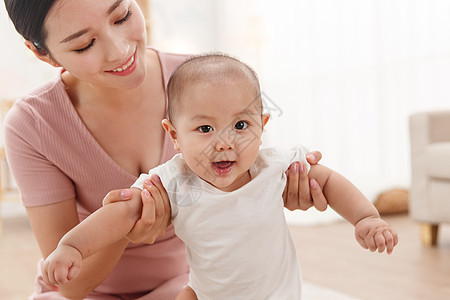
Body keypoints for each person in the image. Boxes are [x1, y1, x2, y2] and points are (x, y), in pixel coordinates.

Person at [3, 1, 327, 299]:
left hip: (188, 284)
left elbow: (247, 168)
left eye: (122, 16)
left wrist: (279, 189)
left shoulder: (202, 79)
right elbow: (71, 285)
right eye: (84, 44)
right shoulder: (33, 124)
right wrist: (123, 229)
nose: (119, 51)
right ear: (43, 53)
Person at [41, 54, 398, 299]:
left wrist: (365, 217)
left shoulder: (272, 168)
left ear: (263, 126)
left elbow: (330, 180)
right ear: (174, 135)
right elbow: (122, 213)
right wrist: (72, 245)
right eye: (205, 128)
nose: (224, 143)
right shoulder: (176, 182)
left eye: (241, 125)